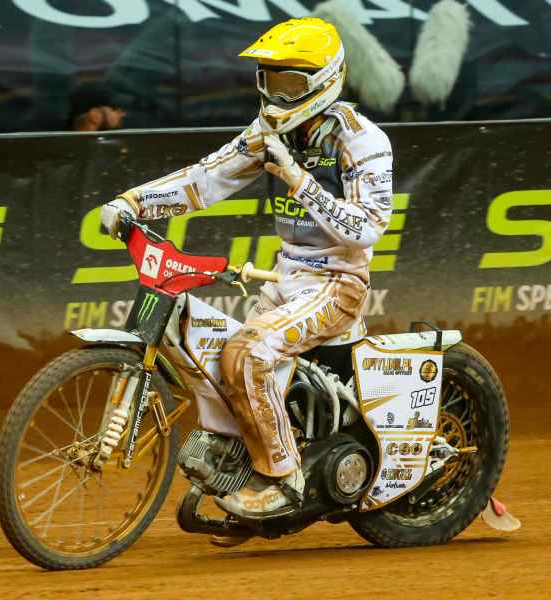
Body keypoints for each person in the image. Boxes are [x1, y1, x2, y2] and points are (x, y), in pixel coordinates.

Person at [101, 17, 393, 520]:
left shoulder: (362, 140)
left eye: (289, 84)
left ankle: (283, 481)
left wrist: (299, 181)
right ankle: (239, 464)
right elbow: (206, 179)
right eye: (269, 80)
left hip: (337, 283)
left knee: (247, 353)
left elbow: (367, 228)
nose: (276, 95)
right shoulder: (268, 132)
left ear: (324, 80)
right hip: (285, 277)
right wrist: (134, 201)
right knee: (220, 359)